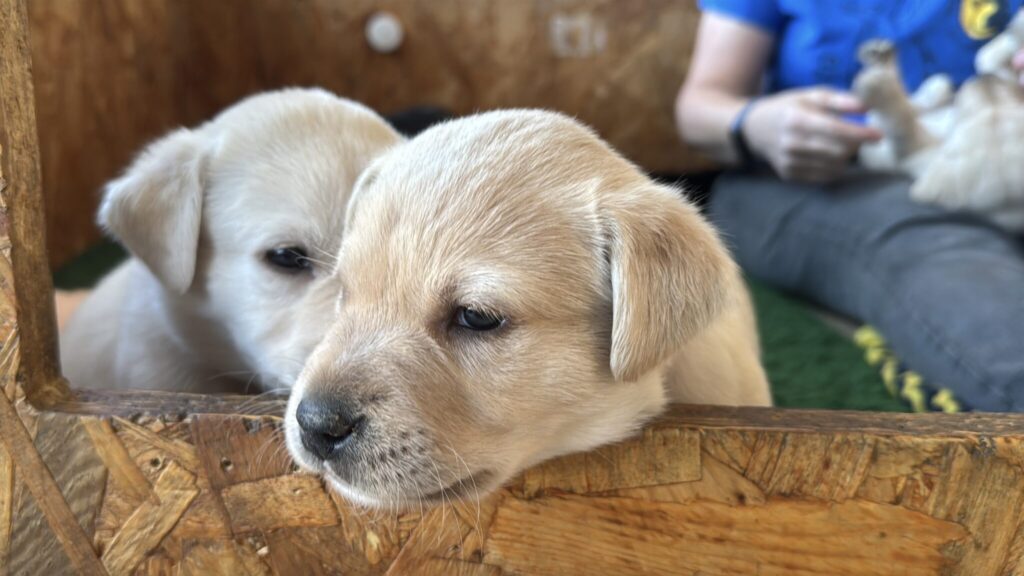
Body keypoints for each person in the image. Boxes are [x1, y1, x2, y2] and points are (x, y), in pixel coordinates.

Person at [676, 1, 1024, 411]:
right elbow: (699, 108)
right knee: (931, 242)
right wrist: (754, 123)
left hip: (997, 168)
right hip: (815, 183)